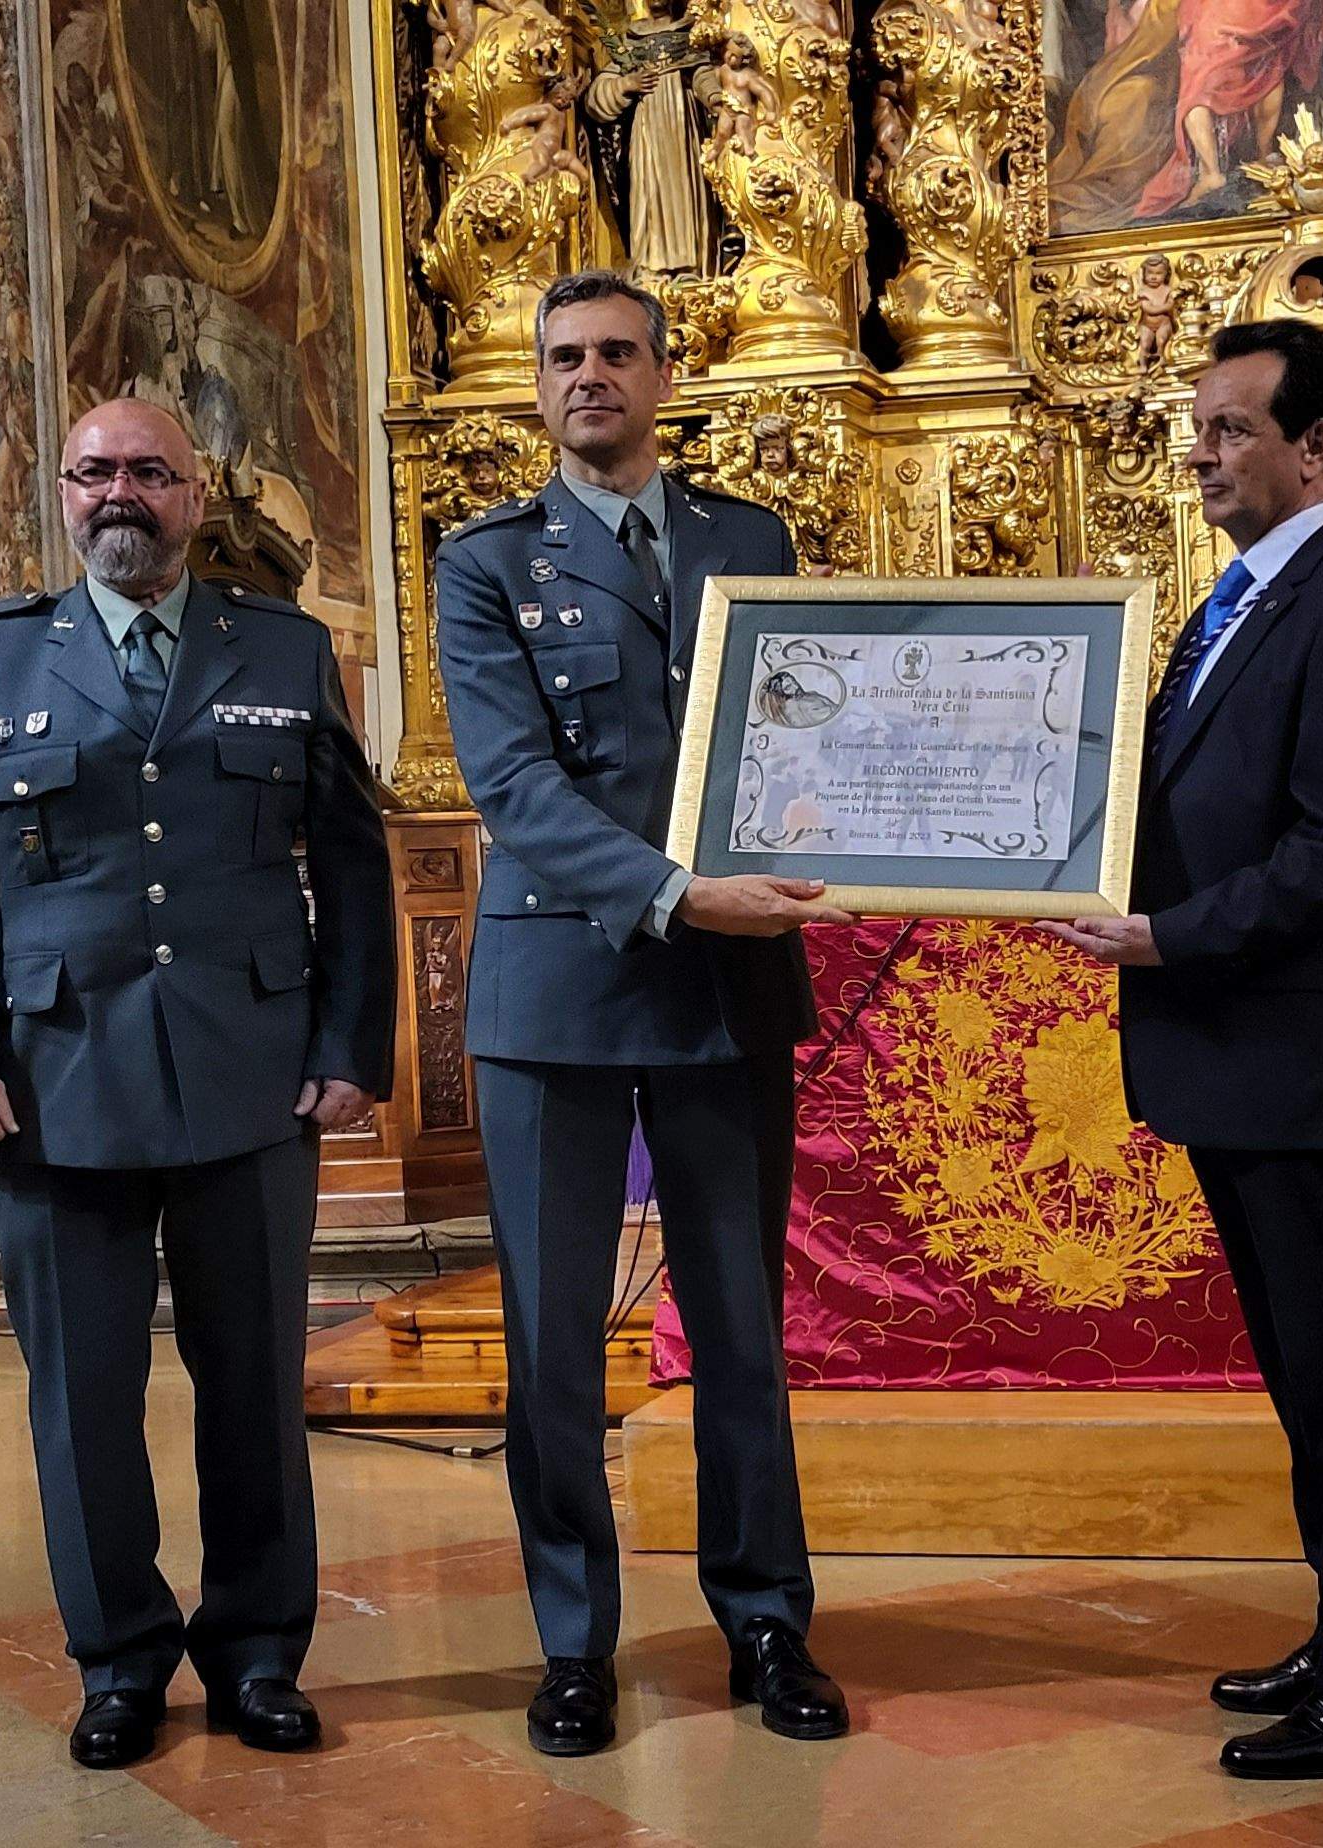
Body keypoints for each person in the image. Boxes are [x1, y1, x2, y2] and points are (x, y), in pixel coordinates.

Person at [0, 398, 395, 1770]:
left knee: (255, 1388)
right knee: (83, 1400)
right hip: (57, 1087)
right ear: (62, 494)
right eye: (95, 472)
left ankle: (258, 1653)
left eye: (150, 473)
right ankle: (118, 1662)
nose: (121, 493)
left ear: (195, 494)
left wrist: (350, 1045)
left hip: (250, 1079)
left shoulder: (282, 646)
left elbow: (353, 867)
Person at [431, 269, 852, 1759]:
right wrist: (679, 894)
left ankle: (767, 1621)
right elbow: (514, 786)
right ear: (539, 385)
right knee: (554, 1342)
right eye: (564, 357)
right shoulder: (484, 561)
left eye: (617, 352)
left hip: (728, 993)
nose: (588, 376)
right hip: (559, 984)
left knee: (741, 1325)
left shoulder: (750, 540)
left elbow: (812, 734)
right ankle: (573, 1643)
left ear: (664, 376)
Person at [1036, 319, 1323, 1780]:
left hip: (1298, 1052)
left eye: (1229, 430)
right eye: (1198, 428)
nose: (1200, 455)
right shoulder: (1240, 602)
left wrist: (1170, 937)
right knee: (1298, 1369)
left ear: (1315, 446)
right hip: (1235, 1049)